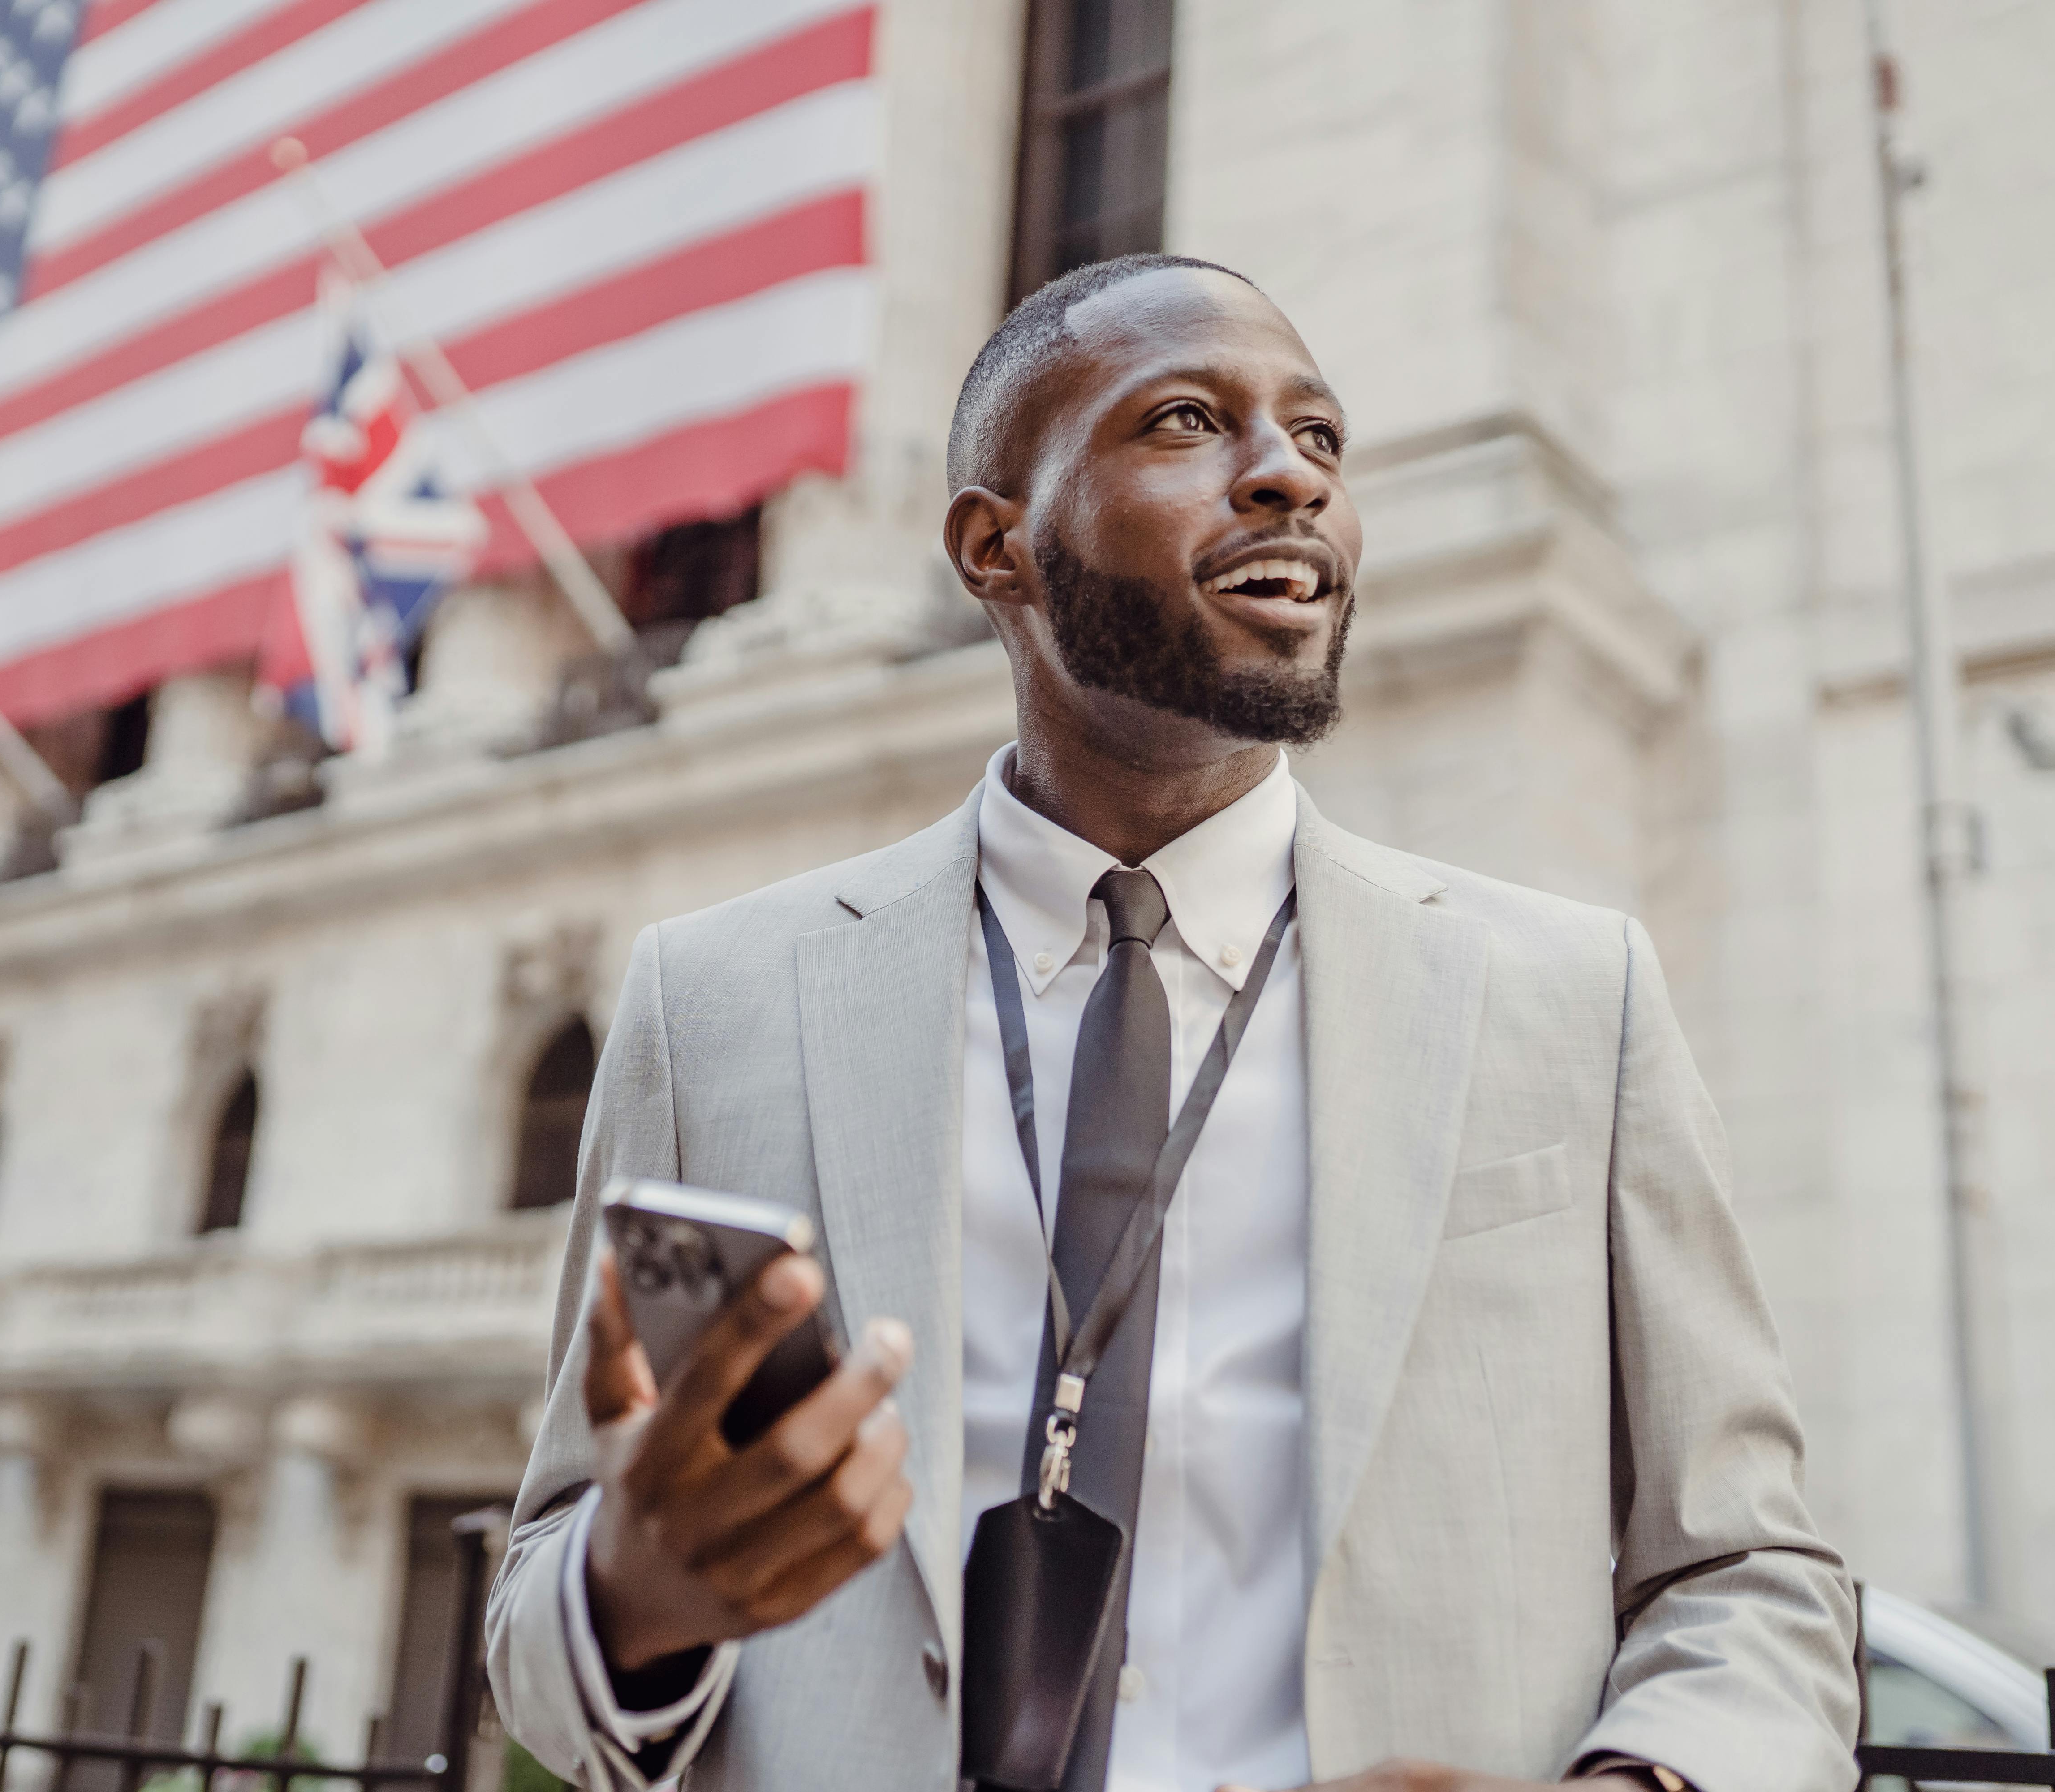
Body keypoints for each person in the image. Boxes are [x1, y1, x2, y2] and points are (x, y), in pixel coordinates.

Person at [485, 254, 1859, 1792]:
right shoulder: (714, 996)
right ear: (994, 546)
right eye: (1190, 422)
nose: (1289, 478)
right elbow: (539, 1613)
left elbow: (1752, 1578)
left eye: (1322, 439)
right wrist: (636, 1595)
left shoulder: (1572, 995)